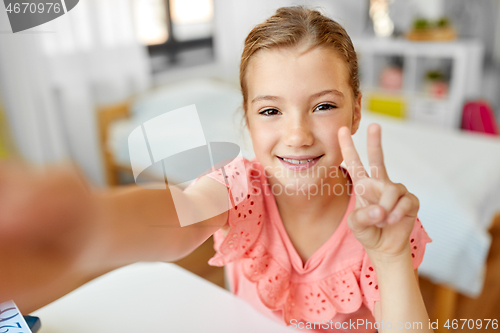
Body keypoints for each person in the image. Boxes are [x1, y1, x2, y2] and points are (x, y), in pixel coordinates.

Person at [0, 6, 433, 332]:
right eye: (270, 111)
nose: (297, 134)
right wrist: (83, 227)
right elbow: (181, 214)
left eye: (322, 106)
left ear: (355, 113)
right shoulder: (240, 187)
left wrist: (392, 258)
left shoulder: (383, 224)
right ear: (247, 120)